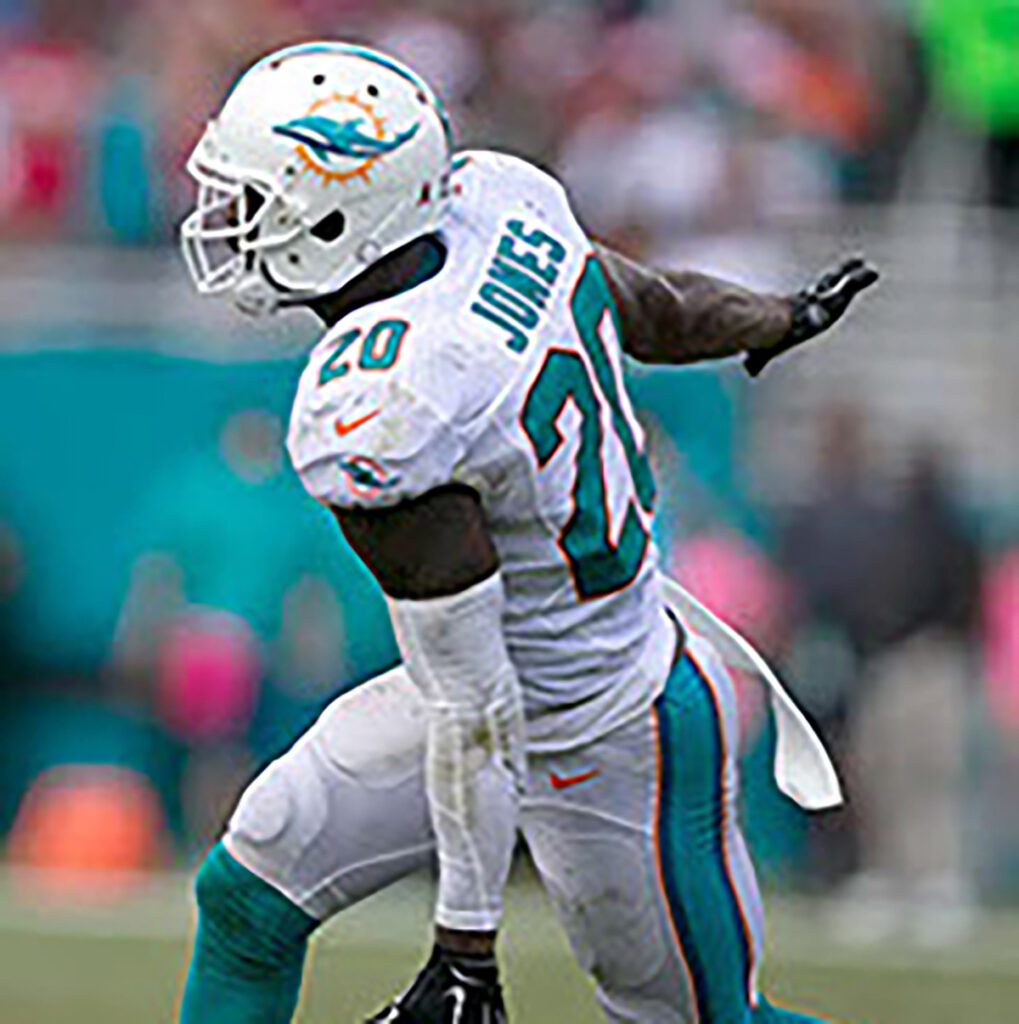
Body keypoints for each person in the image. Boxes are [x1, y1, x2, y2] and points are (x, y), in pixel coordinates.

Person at [177, 42, 876, 1024]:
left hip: (609, 721)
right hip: (494, 688)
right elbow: (653, 306)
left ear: (343, 213)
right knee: (248, 894)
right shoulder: (498, 204)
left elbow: (476, 703)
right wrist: (770, 314)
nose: (231, 220)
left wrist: (464, 949)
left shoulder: (389, 405)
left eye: (260, 196)